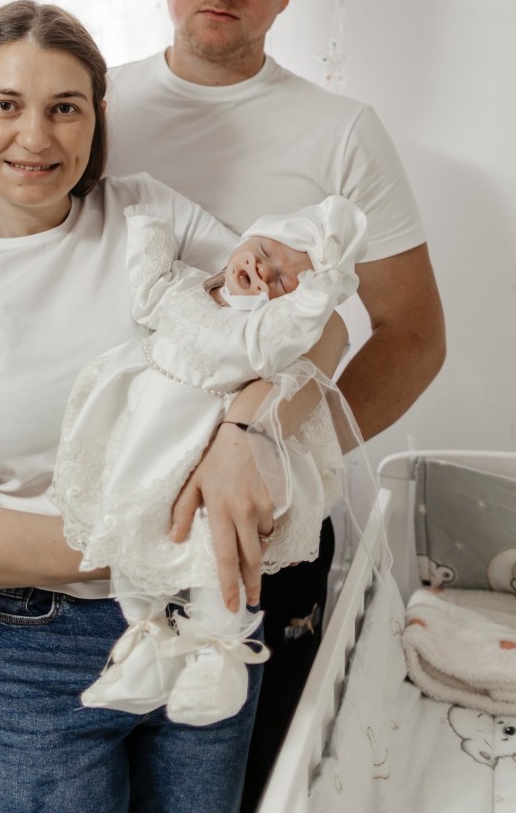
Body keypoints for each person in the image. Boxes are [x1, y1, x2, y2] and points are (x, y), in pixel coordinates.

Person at [0, 0, 348, 813]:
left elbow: (321, 331)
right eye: (6, 105)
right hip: (44, 647)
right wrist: (172, 538)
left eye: (65, 107)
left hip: (208, 627)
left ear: (96, 117)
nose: (36, 136)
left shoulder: (146, 214)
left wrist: (243, 433)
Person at [105, 0, 446, 805]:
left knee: (248, 786)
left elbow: (413, 335)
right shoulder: (93, 108)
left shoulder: (342, 133)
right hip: (110, 519)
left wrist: (281, 454)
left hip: (267, 548)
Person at [52, 195, 367, 729]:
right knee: (128, 528)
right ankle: (148, 639)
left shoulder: (259, 331)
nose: (263, 271)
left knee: (210, 546)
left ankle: (219, 653)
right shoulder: (188, 287)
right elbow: (148, 291)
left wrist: (316, 291)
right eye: (262, 251)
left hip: (199, 450)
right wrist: (150, 226)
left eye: (283, 279)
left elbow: (297, 333)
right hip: (145, 442)